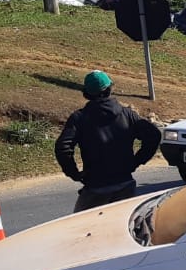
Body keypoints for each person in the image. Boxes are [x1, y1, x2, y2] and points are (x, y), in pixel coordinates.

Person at [55, 70, 162, 211]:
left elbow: (63, 146)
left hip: (95, 187)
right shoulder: (127, 114)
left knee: (82, 230)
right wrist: (136, 161)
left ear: (87, 93)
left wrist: (74, 173)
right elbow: (154, 135)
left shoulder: (80, 118)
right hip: (125, 185)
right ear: (110, 89)